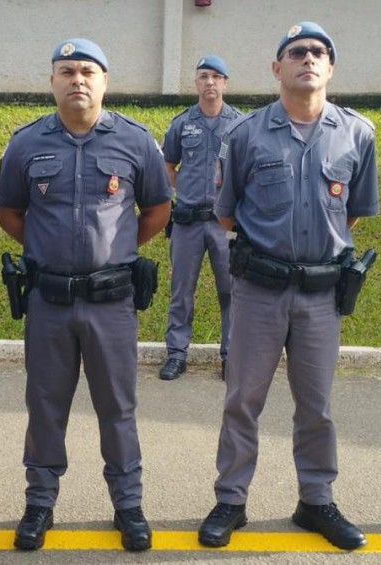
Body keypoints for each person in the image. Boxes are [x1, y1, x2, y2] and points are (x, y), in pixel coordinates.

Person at [198, 22, 379, 550]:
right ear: (277, 68)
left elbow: (354, 215)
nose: (309, 58)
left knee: (316, 405)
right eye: (297, 52)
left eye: (320, 52)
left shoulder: (356, 133)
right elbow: (226, 215)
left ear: (330, 67)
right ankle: (231, 500)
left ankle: (316, 501)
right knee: (242, 400)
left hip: (322, 296)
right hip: (259, 291)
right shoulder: (246, 135)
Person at [0, 38, 172, 552]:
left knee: (118, 406)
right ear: (52, 80)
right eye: (67, 70)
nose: (78, 79)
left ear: (104, 81)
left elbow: (157, 210)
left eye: (87, 71)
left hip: (111, 302)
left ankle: (128, 505)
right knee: (45, 405)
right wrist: (47, 250)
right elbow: (9, 212)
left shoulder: (136, 143)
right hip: (48, 302)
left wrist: (115, 250)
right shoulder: (26, 144)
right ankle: (40, 503)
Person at [159, 54, 240, 381]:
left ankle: (232, 356)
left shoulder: (239, 124)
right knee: (182, 290)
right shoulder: (181, 124)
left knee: (231, 291)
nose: (210, 82)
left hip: (225, 224)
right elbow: (168, 167)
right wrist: (189, 190)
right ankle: (176, 354)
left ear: (225, 83)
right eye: (204, 76)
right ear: (196, 82)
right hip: (188, 222)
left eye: (216, 76)